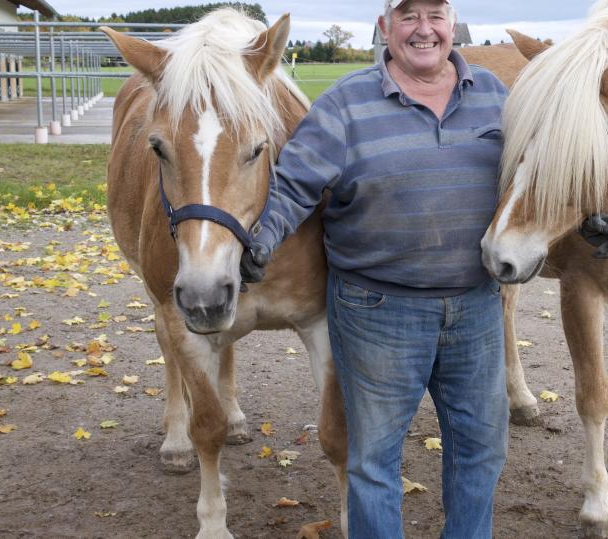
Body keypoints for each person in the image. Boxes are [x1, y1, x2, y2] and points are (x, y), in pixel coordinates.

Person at [245, 0, 509, 537]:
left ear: (451, 24)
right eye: (408, 16)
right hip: (378, 308)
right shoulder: (345, 103)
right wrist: (258, 241)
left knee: (481, 446)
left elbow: (538, 180)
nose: (423, 29)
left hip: (476, 306)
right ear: (385, 27)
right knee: (374, 457)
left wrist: (589, 220)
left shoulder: (498, 97)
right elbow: (293, 184)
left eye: (434, 14)